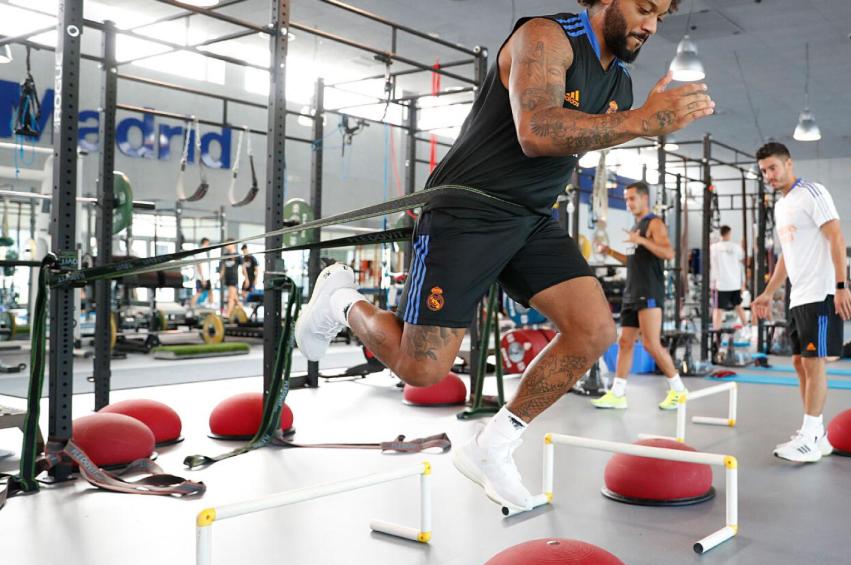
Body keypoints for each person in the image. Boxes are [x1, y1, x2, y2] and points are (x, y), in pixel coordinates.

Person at [296, 0, 714, 511]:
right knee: (423, 369)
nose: (650, 26)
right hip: (468, 209)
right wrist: (642, 122)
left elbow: (598, 131)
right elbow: (537, 132)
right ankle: (339, 299)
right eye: (645, 8)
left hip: (531, 218)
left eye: (661, 18)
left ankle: (493, 445)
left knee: (594, 330)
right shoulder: (545, 37)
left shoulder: (620, 82)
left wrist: (638, 119)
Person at [752, 142, 851, 463]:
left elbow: (836, 236)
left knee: (814, 362)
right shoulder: (782, 206)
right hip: (799, 296)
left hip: (822, 292)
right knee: (799, 362)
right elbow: (787, 256)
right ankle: (817, 434)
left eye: (772, 168)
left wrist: (841, 285)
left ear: (788, 164)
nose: (768, 175)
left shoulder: (813, 193)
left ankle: (810, 437)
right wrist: (769, 292)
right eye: (763, 171)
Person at [590, 182, 684, 410]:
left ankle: (679, 391)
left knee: (651, 344)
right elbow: (632, 261)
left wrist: (641, 240)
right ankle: (618, 393)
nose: (628, 203)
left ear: (644, 199)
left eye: (632, 198)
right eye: (626, 199)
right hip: (632, 291)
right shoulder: (636, 226)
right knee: (625, 342)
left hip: (649, 291)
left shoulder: (654, 223)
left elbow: (668, 253)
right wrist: (609, 251)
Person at [710, 225, 748, 336]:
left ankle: (716, 334)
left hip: (720, 284)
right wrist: (742, 283)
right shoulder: (736, 248)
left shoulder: (713, 248)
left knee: (718, 309)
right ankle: (747, 328)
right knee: (738, 306)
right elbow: (741, 262)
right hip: (734, 283)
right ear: (729, 233)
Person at [219, 241, 243, 319]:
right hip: (227, 279)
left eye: (228, 244)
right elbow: (223, 268)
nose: (227, 246)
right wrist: (220, 277)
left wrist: (247, 279)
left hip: (233, 278)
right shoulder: (225, 256)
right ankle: (243, 313)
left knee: (230, 297)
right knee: (235, 298)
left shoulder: (238, 256)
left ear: (233, 244)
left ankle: (228, 314)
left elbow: (244, 268)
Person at [189, 237, 212, 308]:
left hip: (205, 277)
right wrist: (202, 278)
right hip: (202, 277)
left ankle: (210, 306)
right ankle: (191, 307)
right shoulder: (200, 252)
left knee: (210, 291)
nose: (208, 245)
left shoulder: (203, 252)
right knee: (198, 292)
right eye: (208, 244)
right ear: (205, 243)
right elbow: (199, 266)